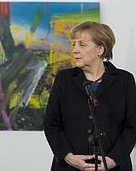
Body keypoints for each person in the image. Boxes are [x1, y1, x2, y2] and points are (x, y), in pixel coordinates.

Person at [44, 21, 136, 170]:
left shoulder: (124, 80)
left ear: (100, 49)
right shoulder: (64, 79)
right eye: (73, 44)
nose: (75, 50)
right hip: (69, 167)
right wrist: (68, 157)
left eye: (82, 44)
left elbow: (132, 126)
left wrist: (113, 160)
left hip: (115, 167)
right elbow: (51, 124)